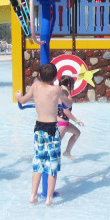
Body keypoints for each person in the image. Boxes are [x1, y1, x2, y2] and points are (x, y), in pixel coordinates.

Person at [15, 63, 72, 206]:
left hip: (39, 128)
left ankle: (33, 195)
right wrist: (66, 91)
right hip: (52, 128)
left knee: (38, 163)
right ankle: (49, 199)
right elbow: (68, 104)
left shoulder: (35, 86)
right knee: (52, 165)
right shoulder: (57, 89)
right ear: (55, 77)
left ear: (39, 76)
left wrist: (17, 96)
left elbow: (22, 100)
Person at [57, 76, 84, 160]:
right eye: (73, 84)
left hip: (63, 122)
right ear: (68, 85)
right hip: (62, 123)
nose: (73, 86)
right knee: (55, 146)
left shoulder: (59, 91)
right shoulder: (65, 93)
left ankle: (67, 152)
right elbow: (66, 111)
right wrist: (76, 120)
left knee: (77, 133)